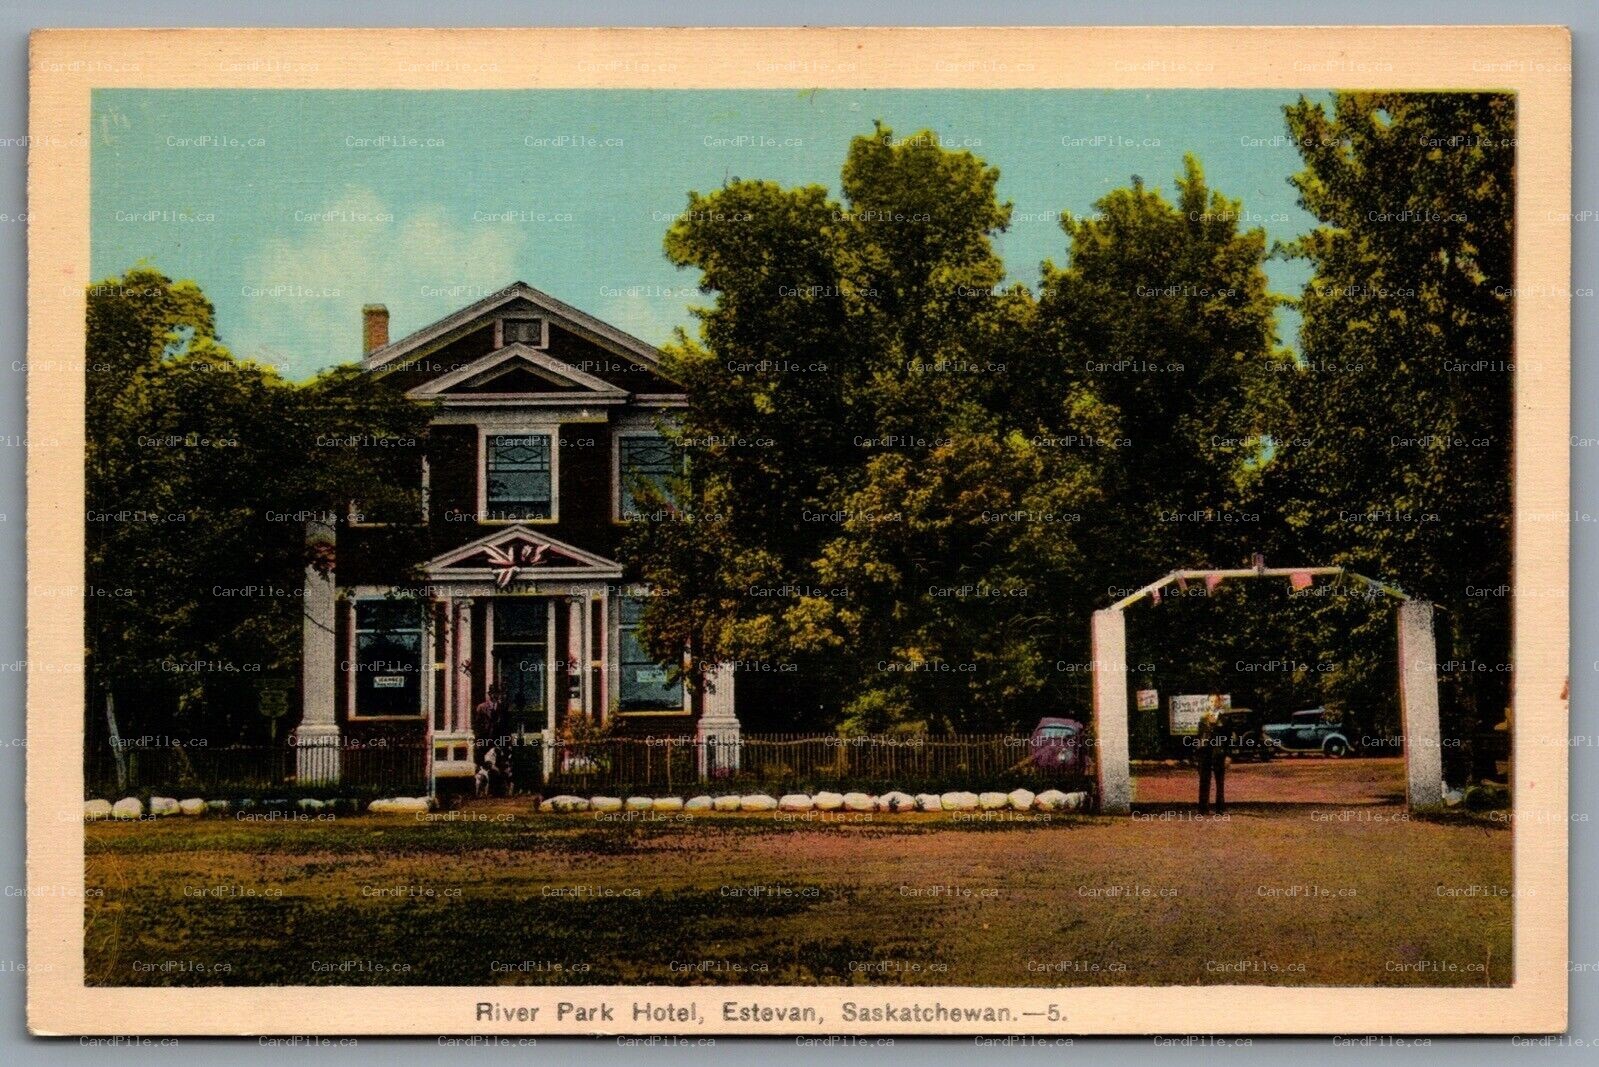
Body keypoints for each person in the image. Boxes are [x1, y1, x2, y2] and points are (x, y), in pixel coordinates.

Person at [1196, 696, 1228, 815]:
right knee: (1204, 780)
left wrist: (1228, 756)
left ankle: (1220, 808)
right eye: (1211, 701)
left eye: (1216, 701)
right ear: (1208, 703)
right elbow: (1199, 736)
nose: (1213, 703)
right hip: (1204, 753)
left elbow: (1229, 739)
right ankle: (1203, 808)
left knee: (1219, 781)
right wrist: (1198, 752)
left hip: (1219, 753)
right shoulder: (1203, 718)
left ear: (1220, 702)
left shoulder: (1225, 719)